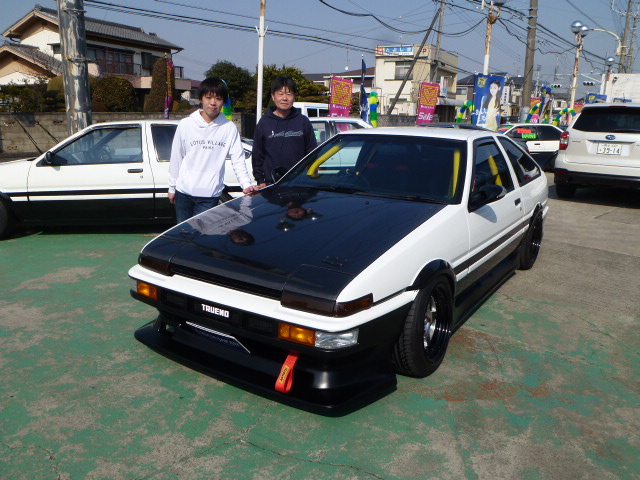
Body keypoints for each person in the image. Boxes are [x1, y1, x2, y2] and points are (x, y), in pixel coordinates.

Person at [168, 77, 258, 223]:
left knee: (202, 237)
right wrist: (172, 187)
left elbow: (238, 159)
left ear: (223, 101)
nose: (213, 103)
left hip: (210, 195)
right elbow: (176, 157)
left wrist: (246, 185)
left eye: (218, 98)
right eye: (208, 97)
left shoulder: (229, 128)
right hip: (183, 192)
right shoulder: (186, 124)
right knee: (183, 236)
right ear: (201, 98)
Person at [252, 76, 317, 187]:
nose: (285, 98)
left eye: (289, 94)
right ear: (273, 96)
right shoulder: (264, 123)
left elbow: (312, 152)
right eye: (280, 94)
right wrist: (260, 179)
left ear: (294, 97)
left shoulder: (303, 121)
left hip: (299, 183)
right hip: (271, 184)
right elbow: (258, 155)